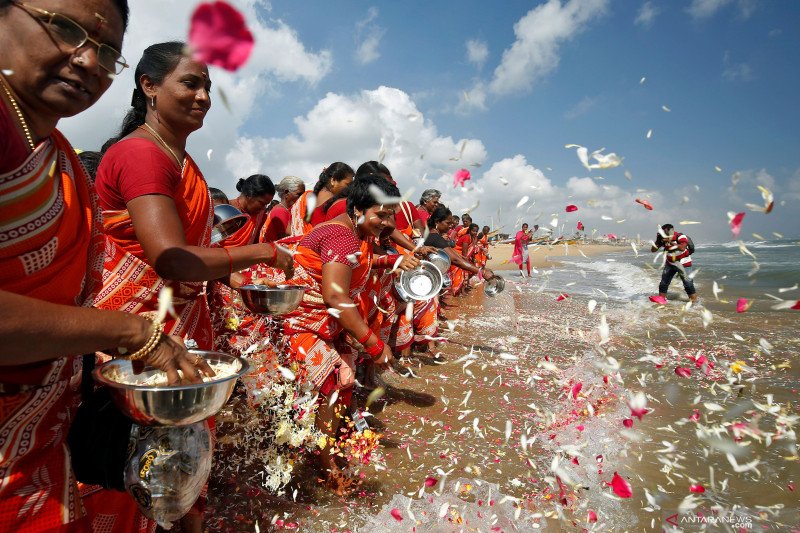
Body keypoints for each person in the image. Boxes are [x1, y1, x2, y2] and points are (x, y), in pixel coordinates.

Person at [0, 3, 210, 530]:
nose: (87, 59)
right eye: (64, 27)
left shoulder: (60, 156)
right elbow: (167, 257)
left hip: (45, 423)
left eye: (107, 51)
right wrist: (132, 331)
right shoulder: (136, 155)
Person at [88, 41, 293, 530]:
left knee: (179, 461)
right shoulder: (141, 154)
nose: (203, 96)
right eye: (190, 83)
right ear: (149, 87)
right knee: (141, 468)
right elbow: (171, 258)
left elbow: (193, 252)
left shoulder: (180, 160)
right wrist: (263, 252)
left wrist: (235, 279)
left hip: (179, 324)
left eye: (207, 86)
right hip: (139, 331)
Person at [281, 175, 408, 491]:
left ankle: (315, 449)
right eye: (381, 214)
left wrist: (392, 261)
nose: (386, 223)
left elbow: (357, 265)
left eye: (391, 216)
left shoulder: (355, 233)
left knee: (345, 382)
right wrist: (375, 344)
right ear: (357, 209)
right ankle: (324, 467)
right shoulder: (343, 236)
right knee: (334, 385)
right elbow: (336, 296)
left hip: (324, 323)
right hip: (299, 323)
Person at [222, 174, 275, 246]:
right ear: (248, 195)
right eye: (262, 203)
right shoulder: (224, 210)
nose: (264, 208)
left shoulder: (260, 216)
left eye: (266, 204)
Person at [650, 223, 697, 303]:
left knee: (688, 284)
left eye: (664, 232)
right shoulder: (662, 238)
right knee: (664, 283)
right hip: (670, 264)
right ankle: (661, 300)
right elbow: (653, 250)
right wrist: (658, 240)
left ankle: (694, 302)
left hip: (684, 264)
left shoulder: (680, 236)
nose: (663, 234)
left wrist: (670, 242)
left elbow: (682, 247)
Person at [307, 162, 354, 227]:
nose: (350, 188)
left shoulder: (317, 195)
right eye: (348, 184)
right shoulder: (337, 203)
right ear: (333, 180)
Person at [260, 175, 305, 242]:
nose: (302, 198)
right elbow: (287, 241)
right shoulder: (280, 211)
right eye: (299, 194)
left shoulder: (284, 210)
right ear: (286, 193)